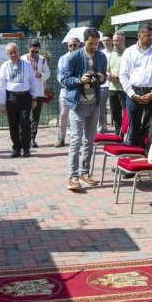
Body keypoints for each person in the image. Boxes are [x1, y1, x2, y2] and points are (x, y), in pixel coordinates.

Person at [58, 28, 107, 191]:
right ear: (83, 41)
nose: (94, 46)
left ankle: (84, 173)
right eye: (90, 43)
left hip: (95, 103)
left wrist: (102, 78)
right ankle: (72, 176)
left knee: (89, 141)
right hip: (78, 104)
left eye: (96, 43)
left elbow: (104, 77)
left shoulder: (101, 56)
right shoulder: (73, 57)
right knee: (76, 140)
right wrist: (80, 80)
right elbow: (64, 79)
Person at [119, 25, 152, 148]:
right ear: (139, 36)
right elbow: (123, 75)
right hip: (134, 92)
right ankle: (131, 158)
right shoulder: (129, 52)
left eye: (151, 35)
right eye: (147, 35)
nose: (150, 38)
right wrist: (132, 94)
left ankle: (149, 157)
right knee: (133, 128)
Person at [0, 42, 41, 158]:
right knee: (13, 124)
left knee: (25, 121)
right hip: (11, 98)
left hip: (25, 97)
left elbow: (33, 81)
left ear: (18, 52)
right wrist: (2, 103)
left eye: (14, 52)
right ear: (7, 54)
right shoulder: (4, 66)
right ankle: (16, 148)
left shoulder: (27, 65)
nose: (13, 55)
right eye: (10, 53)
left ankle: (26, 148)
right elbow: (0, 85)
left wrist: (34, 98)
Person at [25, 40, 50, 148]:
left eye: (36, 52)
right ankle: (23, 137)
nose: (34, 54)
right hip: (25, 91)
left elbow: (48, 73)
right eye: (32, 51)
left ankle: (32, 138)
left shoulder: (42, 60)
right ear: (28, 49)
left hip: (38, 91)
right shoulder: (22, 59)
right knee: (24, 115)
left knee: (35, 116)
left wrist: (41, 75)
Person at [55, 38, 80, 147]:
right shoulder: (63, 58)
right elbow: (59, 76)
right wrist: (69, 83)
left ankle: (78, 138)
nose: (72, 47)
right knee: (63, 114)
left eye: (75, 45)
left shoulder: (83, 57)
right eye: (70, 45)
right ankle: (61, 138)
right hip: (66, 89)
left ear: (79, 45)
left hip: (79, 90)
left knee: (79, 115)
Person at [106, 32, 126, 136]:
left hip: (124, 89)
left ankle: (126, 134)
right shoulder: (111, 55)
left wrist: (117, 78)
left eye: (117, 40)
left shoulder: (127, 54)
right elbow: (107, 70)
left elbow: (131, 72)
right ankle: (119, 134)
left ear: (123, 40)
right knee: (115, 113)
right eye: (114, 40)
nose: (115, 43)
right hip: (112, 88)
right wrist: (109, 75)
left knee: (126, 114)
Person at [97, 34, 114, 133]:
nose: (105, 42)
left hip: (115, 85)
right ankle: (100, 129)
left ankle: (119, 130)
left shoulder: (117, 52)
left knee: (115, 109)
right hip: (103, 85)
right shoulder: (99, 53)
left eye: (107, 40)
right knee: (100, 108)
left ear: (112, 40)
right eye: (103, 41)